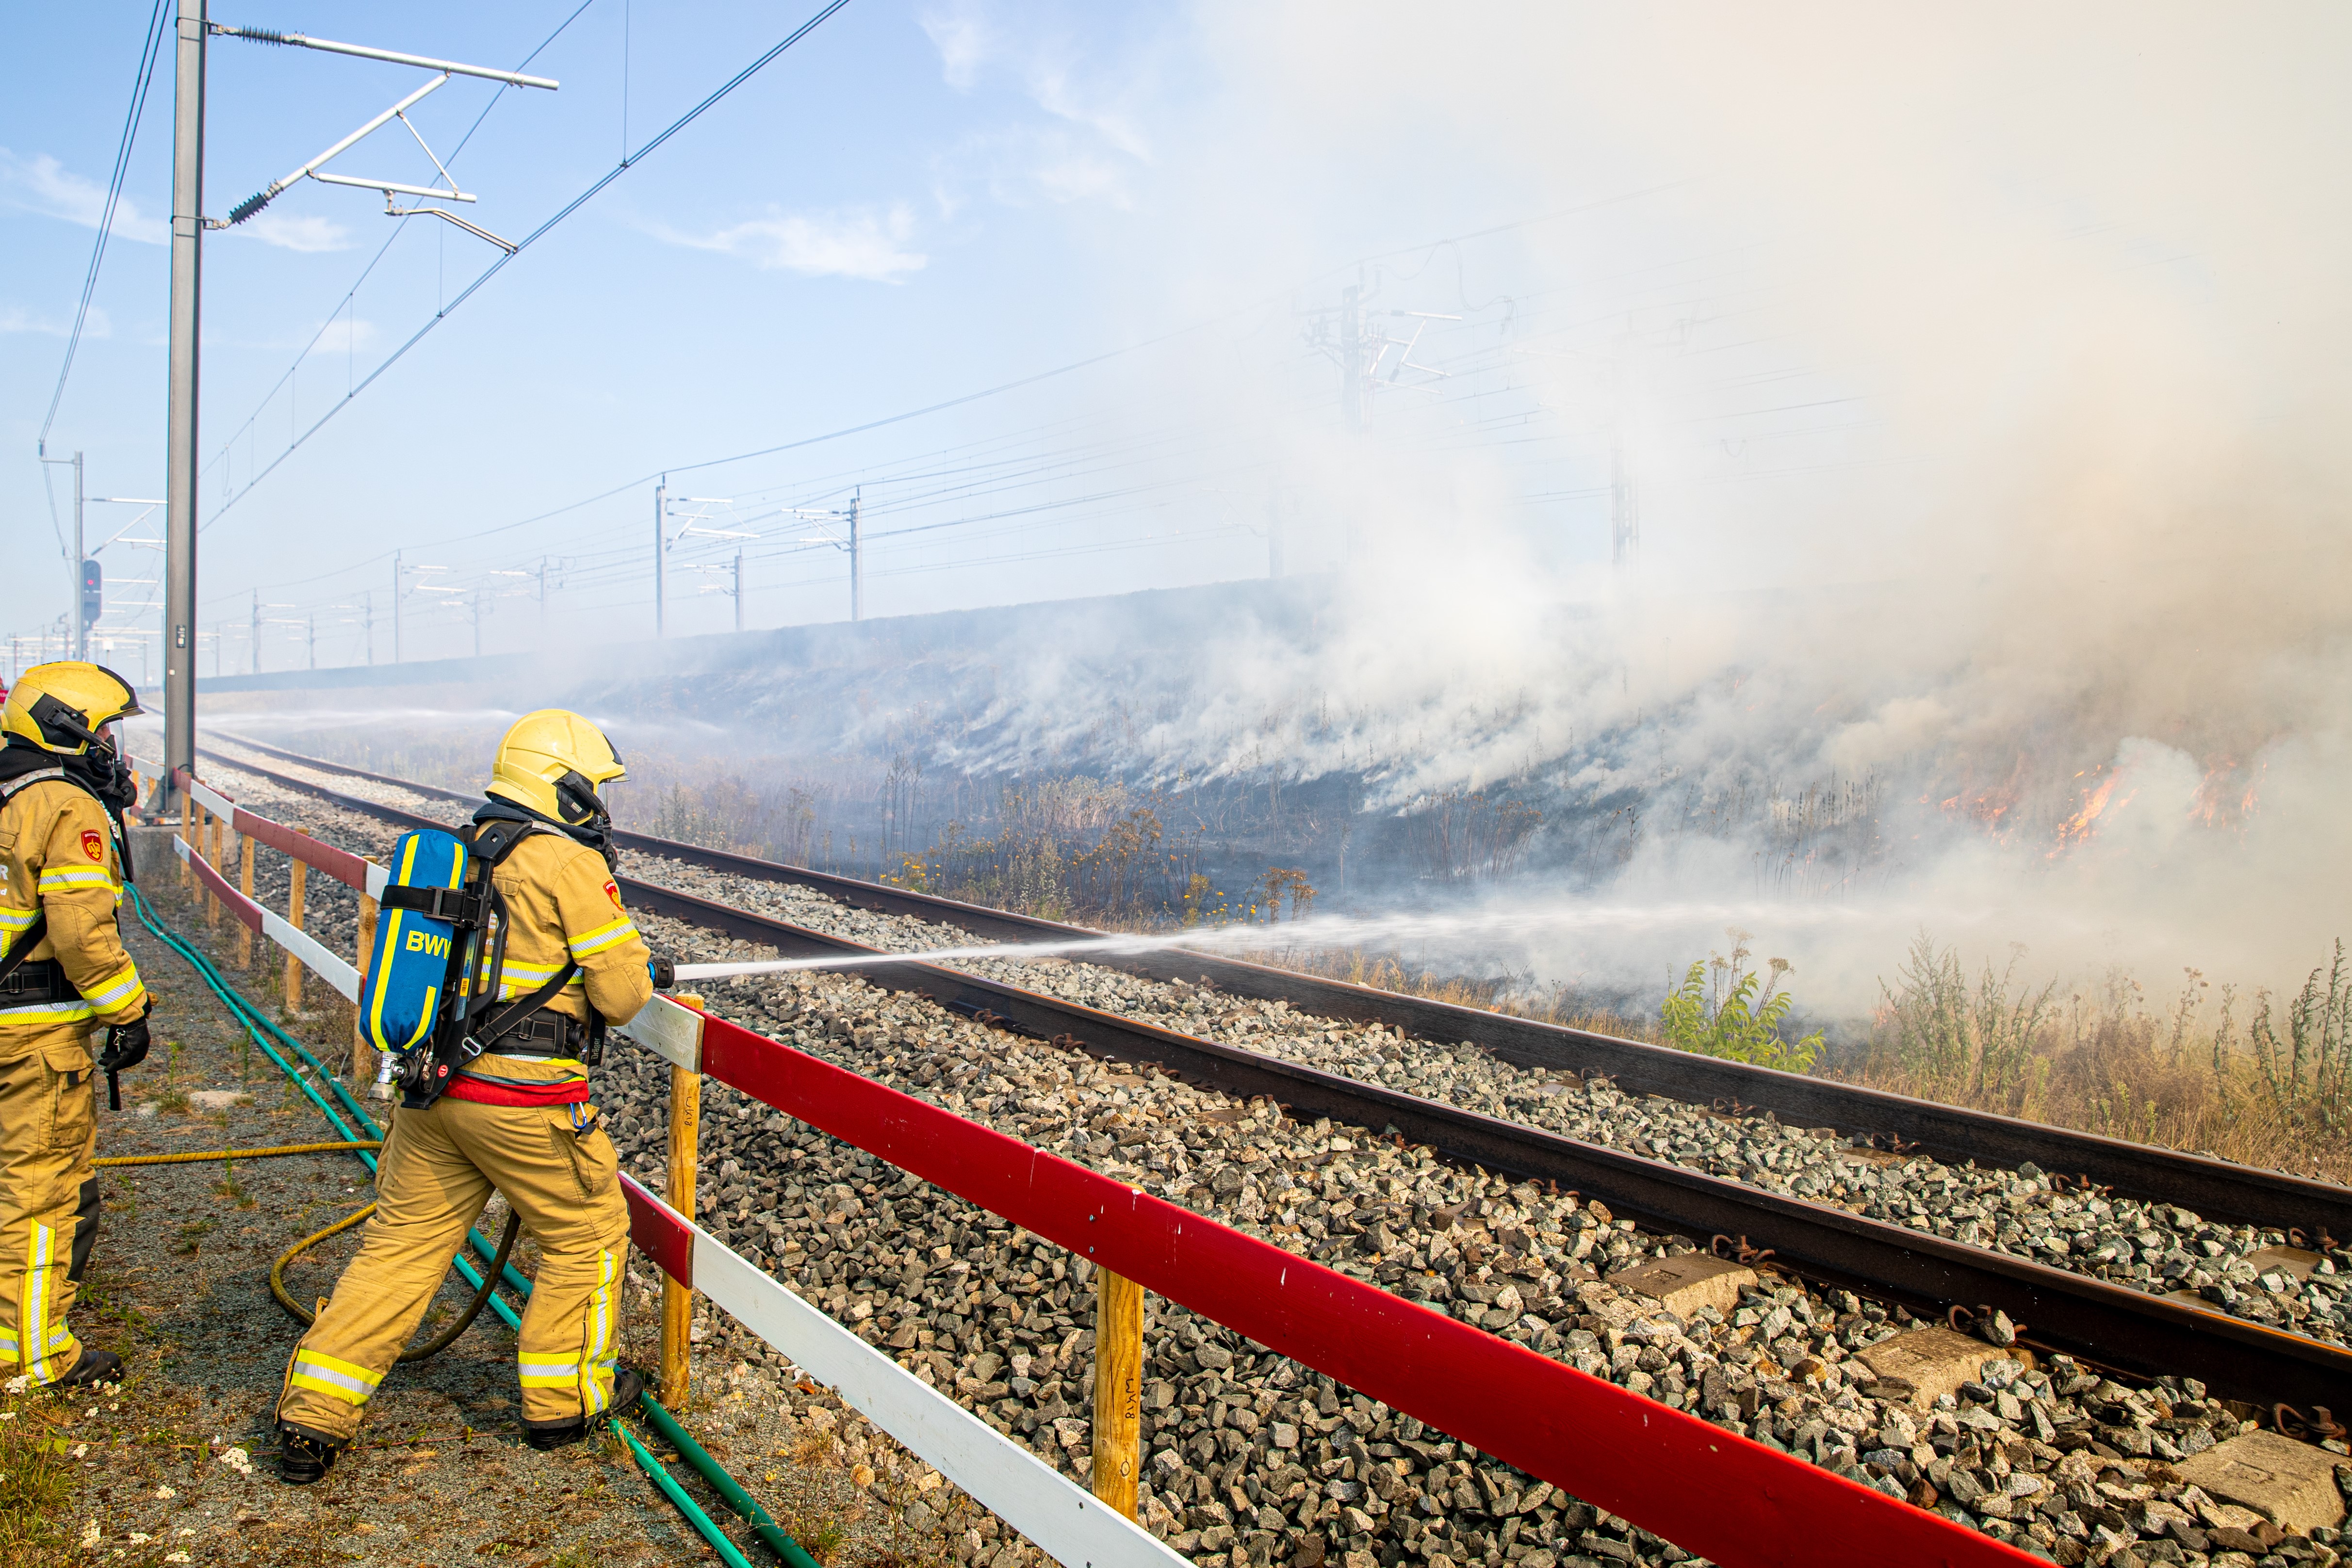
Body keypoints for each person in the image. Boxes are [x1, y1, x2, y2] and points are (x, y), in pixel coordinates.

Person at [274, 710, 674, 1483]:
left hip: (435, 1093)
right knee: (589, 1230)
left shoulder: (460, 852)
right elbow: (622, 996)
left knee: (400, 1249)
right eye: (591, 788)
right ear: (562, 787)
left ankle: (311, 1417)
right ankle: (567, 1400)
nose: (597, 802)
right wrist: (642, 966)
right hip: (526, 1103)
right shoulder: (566, 863)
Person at [0, 662, 151, 1389]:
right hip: (36, 1033)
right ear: (69, 729)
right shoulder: (63, 804)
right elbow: (82, 933)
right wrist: (129, 1012)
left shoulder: (7, 790)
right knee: (40, 1193)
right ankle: (33, 1355)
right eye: (105, 732)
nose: (112, 752)